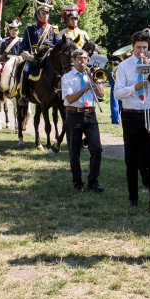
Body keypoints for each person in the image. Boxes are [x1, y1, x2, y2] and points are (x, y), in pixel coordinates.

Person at [113, 30, 150, 211]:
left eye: (145, 47)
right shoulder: (124, 66)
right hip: (131, 114)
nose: (142, 51)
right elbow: (117, 93)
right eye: (139, 48)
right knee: (132, 158)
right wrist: (134, 87)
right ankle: (133, 198)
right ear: (132, 48)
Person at [62, 48, 105, 193]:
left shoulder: (91, 75)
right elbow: (69, 99)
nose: (83, 62)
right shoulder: (67, 77)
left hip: (90, 114)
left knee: (97, 148)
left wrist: (93, 79)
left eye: (85, 59)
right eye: (80, 59)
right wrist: (84, 89)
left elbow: (101, 94)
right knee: (74, 151)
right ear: (73, 61)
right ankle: (77, 182)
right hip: (74, 114)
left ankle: (93, 181)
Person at [16, 0, 58, 105]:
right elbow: (24, 44)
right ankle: (24, 95)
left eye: (47, 13)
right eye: (43, 13)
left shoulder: (53, 29)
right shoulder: (30, 29)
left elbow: (57, 43)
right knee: (25, 70)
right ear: (38, 14)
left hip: (49, 56)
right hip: (35, 57)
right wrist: (26, 54)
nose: (45, 16)